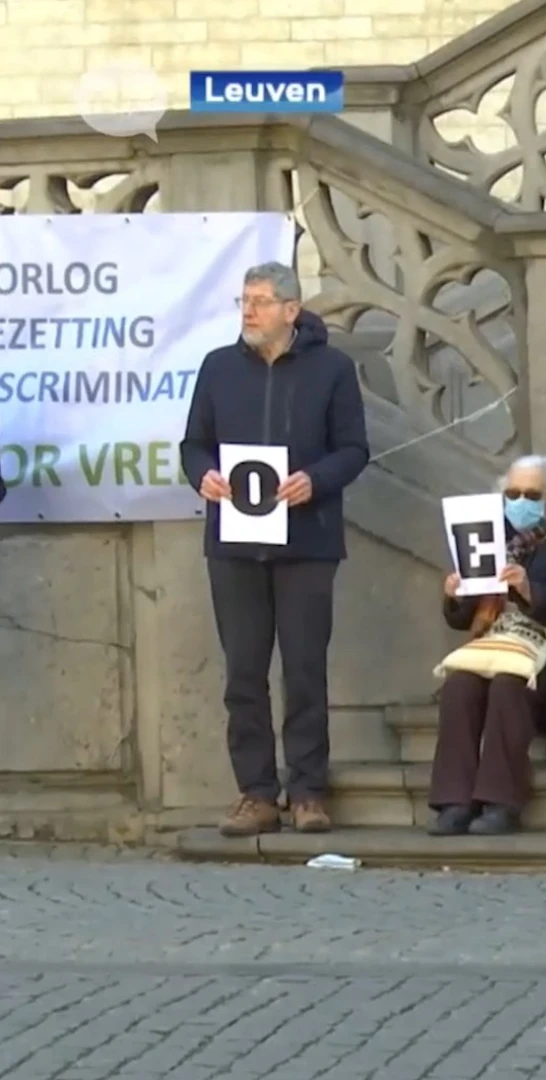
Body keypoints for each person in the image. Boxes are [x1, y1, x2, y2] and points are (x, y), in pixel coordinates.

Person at [181, 262, 369, 839]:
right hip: (235, 543)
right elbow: (193, 445)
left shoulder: (332, 369)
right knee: (243, 673)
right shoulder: (218, 368)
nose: (249, 311)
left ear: (292, 309)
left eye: (261, 301)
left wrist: (316, 479)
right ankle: (256, 792)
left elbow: (354, 449)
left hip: (306, 541)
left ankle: (308, 790)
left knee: (305, 669)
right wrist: (205, 477)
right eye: (244, 300)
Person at [428, 455, 546, 836]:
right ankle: (455, 800)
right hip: (503, 645)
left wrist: (527, 590)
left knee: (509, 685)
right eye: (513, 493)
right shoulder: (492, 536)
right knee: (459, 684)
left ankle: (501, 802)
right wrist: (456, 595)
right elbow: (462, 619)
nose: (520, 502)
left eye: (531, 494)